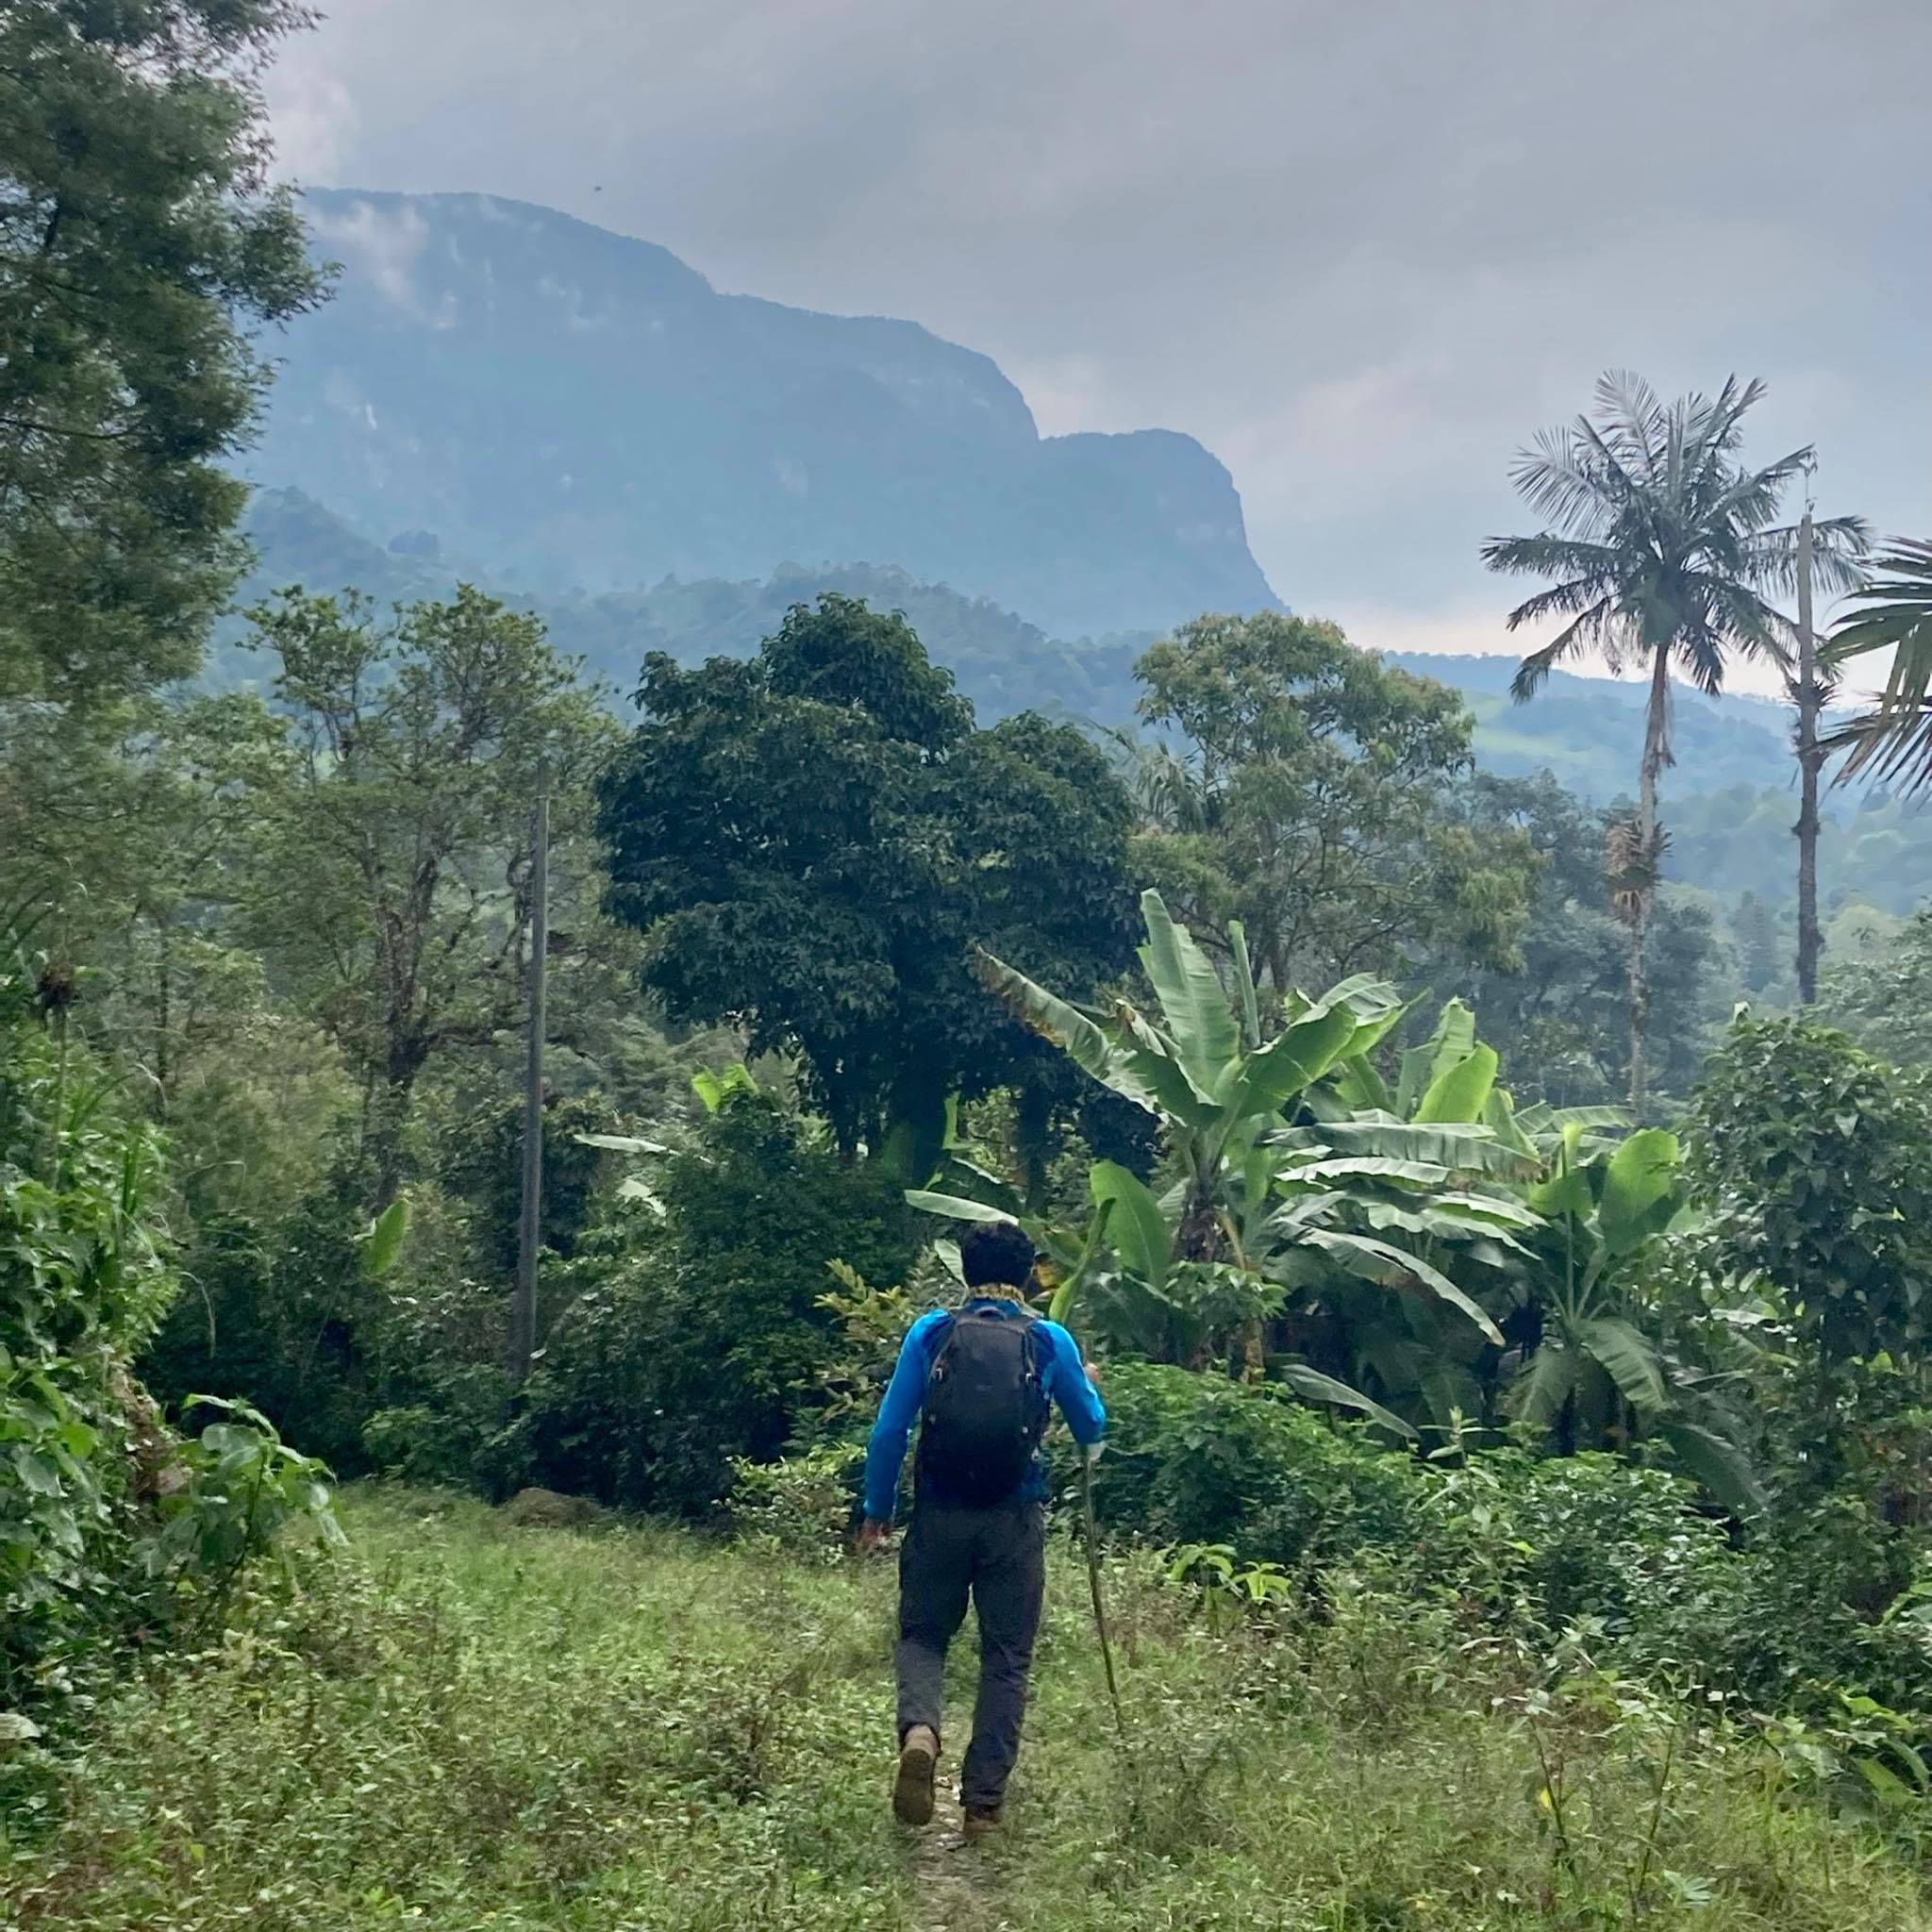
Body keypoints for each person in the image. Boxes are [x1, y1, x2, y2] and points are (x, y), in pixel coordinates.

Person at [858, 1218, 1106, 1839]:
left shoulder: (933, 1332)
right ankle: (983, 1807)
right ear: (1026, 1275)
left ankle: (920, 1731)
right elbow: (1091, 1428)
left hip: (938, 1513)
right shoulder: (1049, 1340)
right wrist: (1089, 1390)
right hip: (1013, 1520)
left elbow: (889, 1432)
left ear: (965, 1272)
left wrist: (877, 1511)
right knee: (1006, 1656)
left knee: (923, 1635)